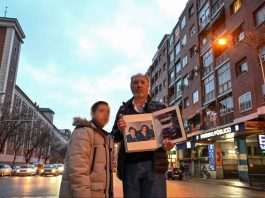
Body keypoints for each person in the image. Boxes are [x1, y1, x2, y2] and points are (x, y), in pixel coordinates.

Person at [111, 73, 174, 198]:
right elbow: (114, 137)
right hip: (129, 167)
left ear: (148, 86)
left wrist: (169, 145)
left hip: (154, 166)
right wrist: (119, 129)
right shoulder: (123, 109)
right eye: (135, 82)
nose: (139, 85)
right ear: (130, 86)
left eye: (142, 82)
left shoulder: (160, 107)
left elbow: (170, 136)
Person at [59, 101, 113, 198]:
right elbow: (78, 172)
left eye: (108, 112)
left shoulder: (102, 136)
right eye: (101, 111)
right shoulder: (83, 132)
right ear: (92, 113)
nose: (106, 115)